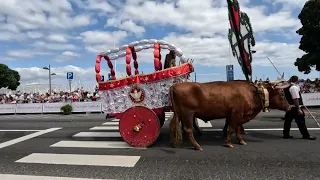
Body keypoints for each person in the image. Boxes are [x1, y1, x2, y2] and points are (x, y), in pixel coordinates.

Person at [283, 75, 316, 140]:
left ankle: (286, 134)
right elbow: (295, 99)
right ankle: (306, 135)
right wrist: (298, 109)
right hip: (295, 107)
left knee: (288, 121)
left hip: (290, 107)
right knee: (301, 122)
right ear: (297, 80)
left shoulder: (288, 87)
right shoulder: (294, 87)